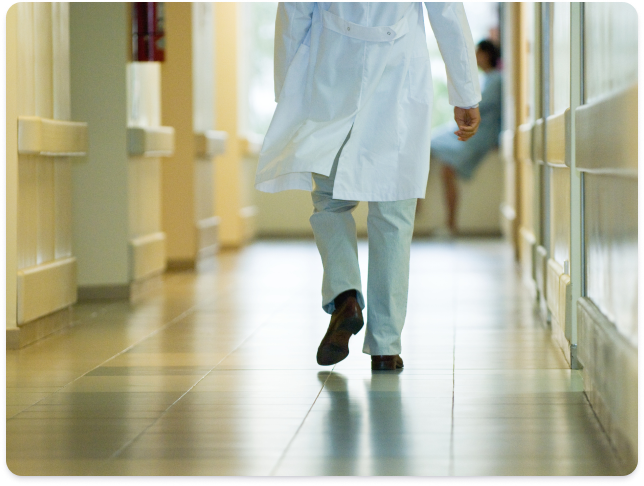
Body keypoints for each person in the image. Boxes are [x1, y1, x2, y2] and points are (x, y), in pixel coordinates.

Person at [255, 3, 481, 370]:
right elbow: (448, 16)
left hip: (330, 75)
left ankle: (345, 294)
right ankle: (385, 347)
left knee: (329, 203)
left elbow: (293, 16)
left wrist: (288, 94)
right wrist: (465, 94)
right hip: (399, 78)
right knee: (393, 212)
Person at [428, 39, 503, 234]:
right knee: (431, 146)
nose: (475, 58)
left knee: (445, 168)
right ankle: (444, 220)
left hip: (480, 137)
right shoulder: (488, 79)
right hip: (474, 133)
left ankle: (450, 225)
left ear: (486, 55)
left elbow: (478, 108)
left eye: (478, 53)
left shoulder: (496, 79)